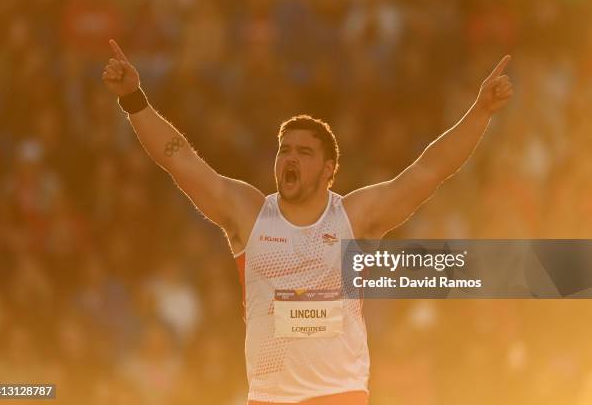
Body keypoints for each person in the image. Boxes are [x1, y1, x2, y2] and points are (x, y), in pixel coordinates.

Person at [102, 39, 513, 405]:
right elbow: (179, 161)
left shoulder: (354, 218)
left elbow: (429, 170)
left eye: (304, 152)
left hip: (339, 394)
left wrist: (481, 112)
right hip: (270, 397)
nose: (290, 159)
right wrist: (134, 100)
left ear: (329, 169)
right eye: (284, 151)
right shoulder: (248, 215)